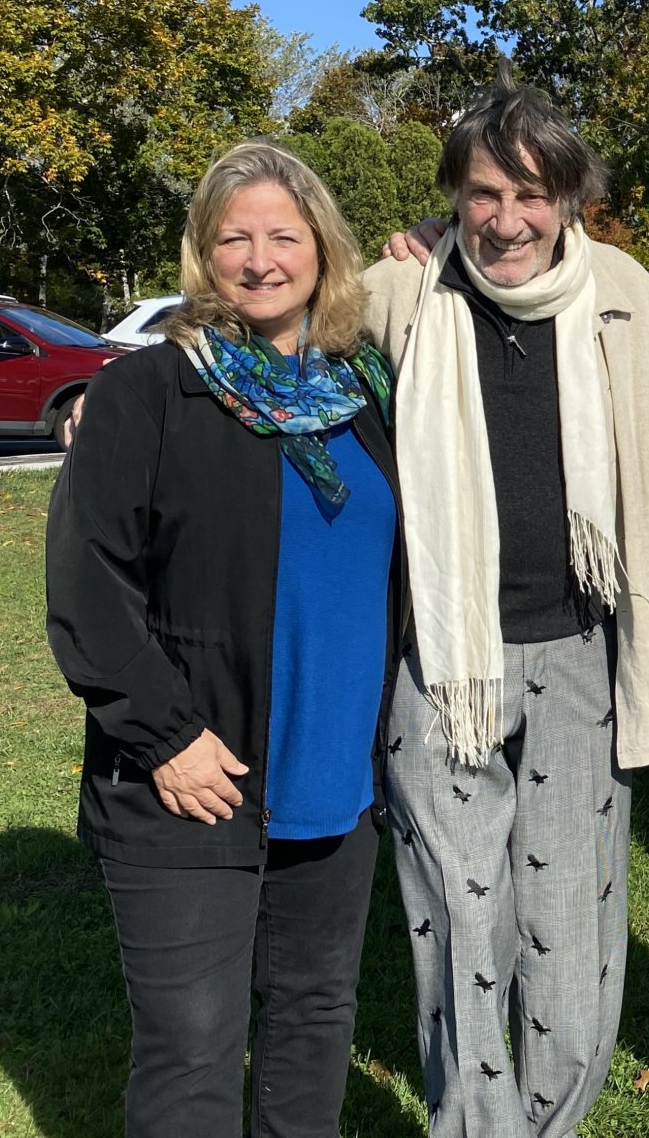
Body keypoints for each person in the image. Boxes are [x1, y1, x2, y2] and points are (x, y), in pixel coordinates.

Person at [46, 142, 403, 1138]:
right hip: (192, 784)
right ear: (203, 257)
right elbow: (85, 586)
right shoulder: (148, 394)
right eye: (232, 238)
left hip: (335, 784)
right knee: (191, 1059)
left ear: (323, 250)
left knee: (312, 1030)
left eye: (282, 236)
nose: (258, 259)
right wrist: (162, 737)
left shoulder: (363, 392)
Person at [359, 63, 649, 1136]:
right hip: (445, 661)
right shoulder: (400, 291)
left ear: (569, 200)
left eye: (530, 193)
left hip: (580, 653)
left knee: (571, 927)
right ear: (452, 195)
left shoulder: (630, 296)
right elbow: (278, 354)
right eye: (484, 192)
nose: (506, 219)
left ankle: (553, 1121)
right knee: (459, 920)